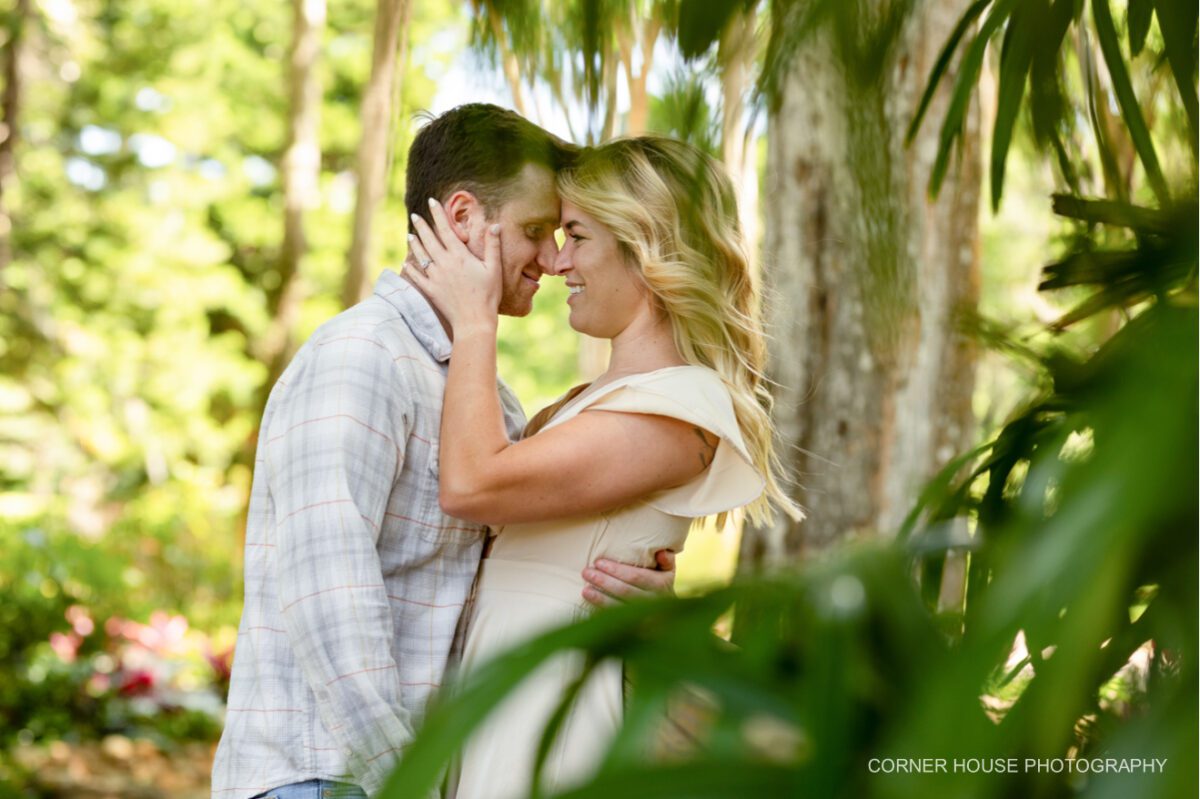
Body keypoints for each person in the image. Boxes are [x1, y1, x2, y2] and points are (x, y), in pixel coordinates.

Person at [211, 105, 678, 799]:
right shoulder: (360, 357)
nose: (552, 259)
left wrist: (638, 590)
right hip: (326, 777)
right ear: (462, 218)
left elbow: (509, 571)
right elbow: (327, 599)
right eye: (534, 230)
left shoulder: (491, 400)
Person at [406, 135, 801, 799]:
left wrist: (475, 323)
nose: (558, 262)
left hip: (555, 711)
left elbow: (472, 484)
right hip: (507, 689)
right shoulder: (589, 402)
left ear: (644, 248)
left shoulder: (679, 403)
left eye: (577, 236)